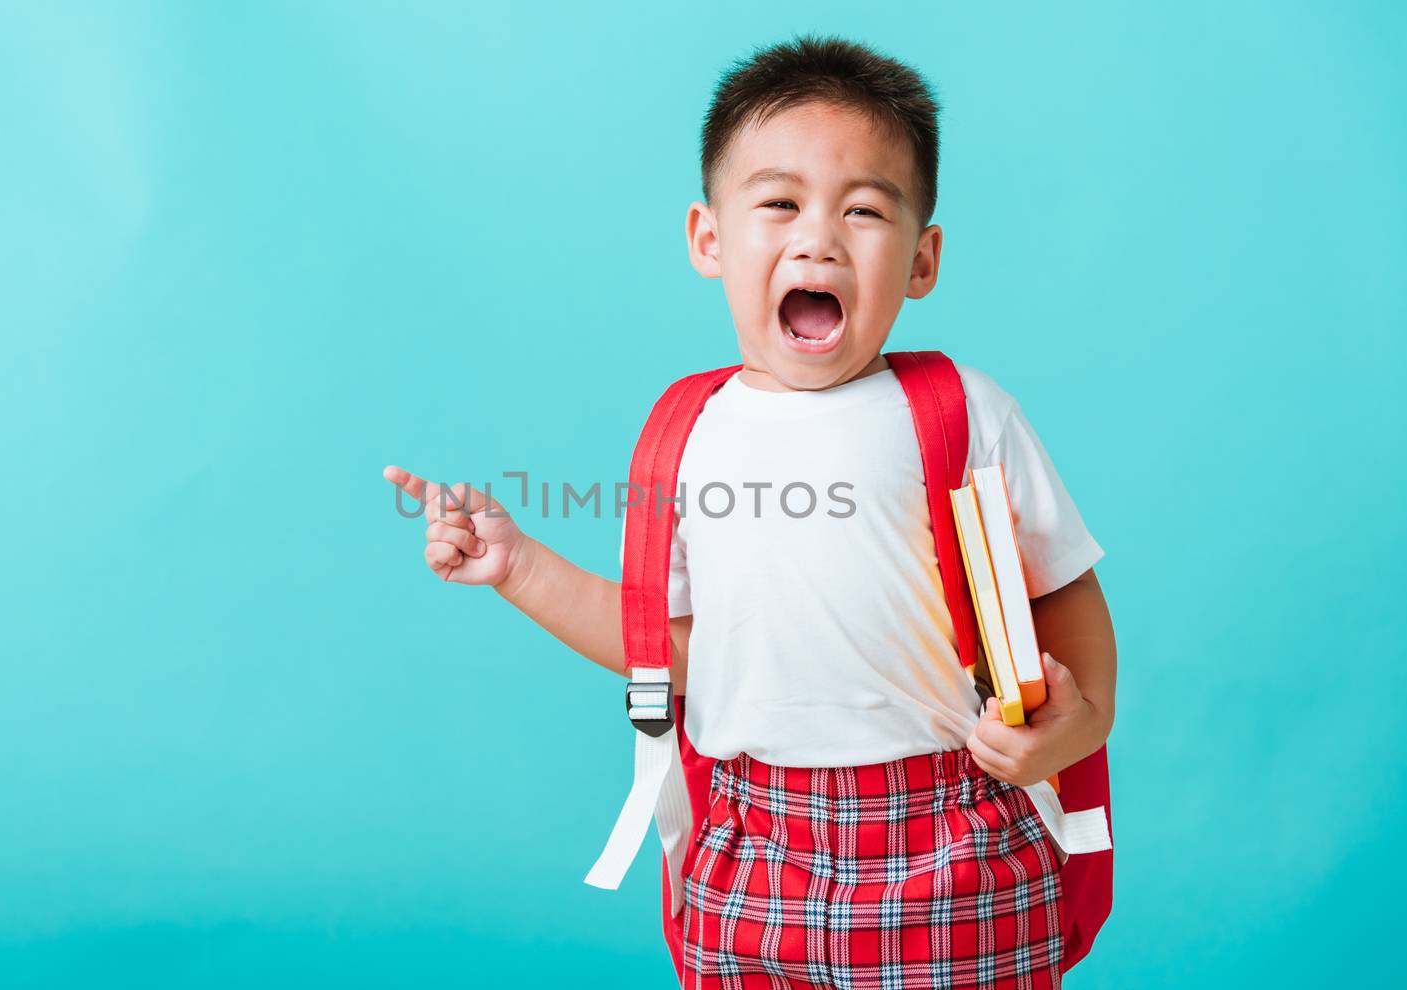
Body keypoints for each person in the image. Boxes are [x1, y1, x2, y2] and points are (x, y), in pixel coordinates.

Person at [383, 33, 1117, 990]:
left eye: (863, 210)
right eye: (779, 204)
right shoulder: (683, 436)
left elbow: (1065, 599)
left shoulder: (965, 411)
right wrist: (519, 568)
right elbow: (677, 644)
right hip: (753, 845)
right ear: (709, 240)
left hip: (954, 836)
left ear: (923, 259)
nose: (817, 238)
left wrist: (1074, 723)